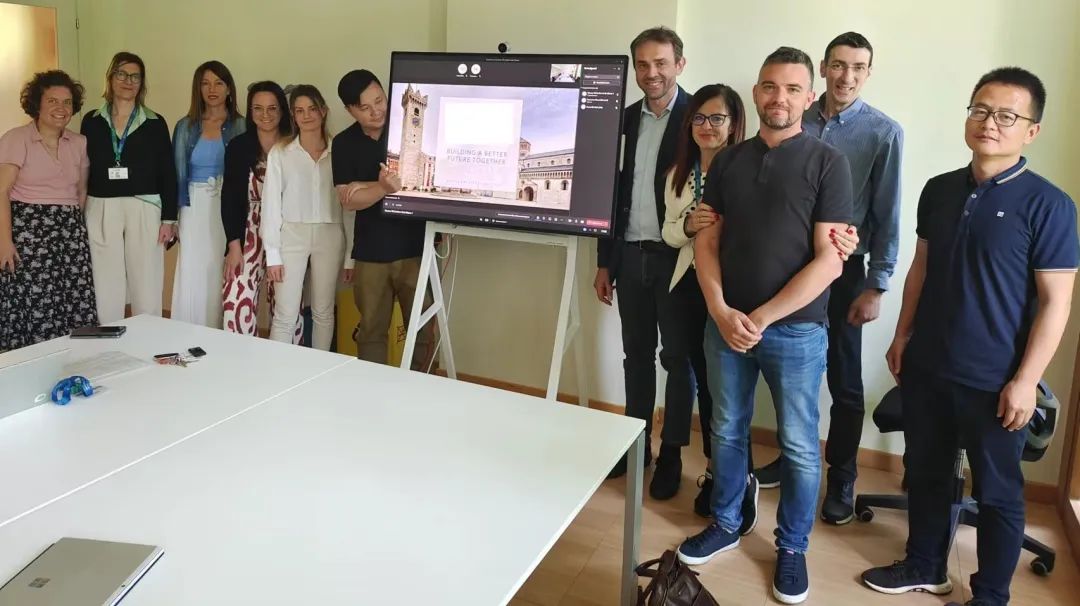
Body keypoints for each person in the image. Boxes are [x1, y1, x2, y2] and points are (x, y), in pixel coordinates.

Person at [862, 67, 1078, 606]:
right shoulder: (939, 189)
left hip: (996, 380)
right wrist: (902, 335)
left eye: (1006, 115)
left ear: (1031, 130)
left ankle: (990, 595)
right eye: (980, 110)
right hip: (929, 364)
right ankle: (924, 565)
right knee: (927, 472)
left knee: (998, 493)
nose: (989, 123)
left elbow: (1057, 303)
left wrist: (1026, 381)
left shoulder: (1050, 205)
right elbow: (921, 267)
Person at [675, 47, 853, 605]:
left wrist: (760, 317)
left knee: (799, 445)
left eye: (793, 89)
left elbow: (830, 260)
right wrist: (720, 309)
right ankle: (728, 521)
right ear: (756, 92)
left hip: (795, 332)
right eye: (770, 86)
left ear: (809, 97)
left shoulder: (829, 163)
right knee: (726, 429)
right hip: (725, 326)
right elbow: (707, 239)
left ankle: (792, 547)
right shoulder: (727, 162)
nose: (780, 98)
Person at [753, 32, 904, 526]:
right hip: (786, 265)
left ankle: (841, 475)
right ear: (823, 68)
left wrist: (876, 285)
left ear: (869, 73)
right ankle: (790, 456)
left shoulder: (882, 132)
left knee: (844, 379)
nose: (847, 76)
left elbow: (887, 213)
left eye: (858, 68)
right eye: (838, 65)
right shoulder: (794, 114)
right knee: (788, 371)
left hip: (842, 270)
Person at [596, 26, 695, 501]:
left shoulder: (698, 119)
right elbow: (609, 195)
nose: (651, 73)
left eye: (660, 63)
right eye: (642, 64)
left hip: (676, 262)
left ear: (679, 64)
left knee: (677, 360)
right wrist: (605, 262)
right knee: (636, 357)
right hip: (630, 257)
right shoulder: (623, 119)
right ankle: (638, 445)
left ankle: (671, 452)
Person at [332, 69, 432, 368]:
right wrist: (382, 188)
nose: (376, 111)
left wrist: (364, 187)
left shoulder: (403, 131)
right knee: (371, 331)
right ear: (350, 110)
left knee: (423, 328)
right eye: (365, 107)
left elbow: (414, 184)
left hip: (416, 248)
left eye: (380, 101)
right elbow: (348, 201)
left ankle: (423, 388)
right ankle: (373, 390)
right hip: (371, 253)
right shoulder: (344, 143)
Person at [0, 71, 96, 352]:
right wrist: (4, 242)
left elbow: (81, 191)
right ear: (37, 104)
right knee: (35, 301)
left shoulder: (79, 142)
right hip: (29, 233)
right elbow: (1, 192)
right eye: (52, 100)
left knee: (72, 300)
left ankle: (73, 360)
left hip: (69, 232)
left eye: (67, 102)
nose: (61, 108)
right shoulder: (17, 138)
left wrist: (74, 231)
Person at [80, 52, 177, 324]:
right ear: (110, 78)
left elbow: (167, 172)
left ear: (142, 83)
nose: (128, 81)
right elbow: (83, 167)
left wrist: (169, 218)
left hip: (144, 205)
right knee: (104, 281)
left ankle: (148, 337)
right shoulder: (91, 121)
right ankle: (107, 339)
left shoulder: (155, 122)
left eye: (135, 76)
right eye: (121, 74)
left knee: (146, 279)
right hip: (101, 205)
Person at [261, 84, 354, 351]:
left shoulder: (340, 150)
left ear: (323, 111)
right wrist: (272, 254)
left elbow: (349, 207)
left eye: (312, 109)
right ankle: (276, 369)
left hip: (330, 235)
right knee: (285, 313)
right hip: (291, 235)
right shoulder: (281, 152)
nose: (307, 116)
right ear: (293, 115)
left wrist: (351, 255)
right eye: (300, 111)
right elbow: (271, 204)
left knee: (324, 310)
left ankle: (319, 369)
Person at [221, 81, 301, 340]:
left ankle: (287, 359)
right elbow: (230, 197)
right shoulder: (238, 146)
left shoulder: (294, 144)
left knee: (287, 304)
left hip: (286, 230)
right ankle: (240, 358)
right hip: (248, 228)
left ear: (282, 110)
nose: (265, 115)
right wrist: (233, 244)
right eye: (258, 108)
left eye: (272, 108)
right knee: (237, 297)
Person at [171, 60, 246, 328]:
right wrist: (172, 217)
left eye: (218, 83)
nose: (212, 89)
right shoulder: (185, 126)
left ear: (229, 88)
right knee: (192, 269)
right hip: (193, 206)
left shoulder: (241, 126)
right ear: (198, 88)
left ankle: (218, 332)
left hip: (227, 206)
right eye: (205, 83)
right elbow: (176, 174)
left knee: (219, 268)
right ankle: (188, 333)